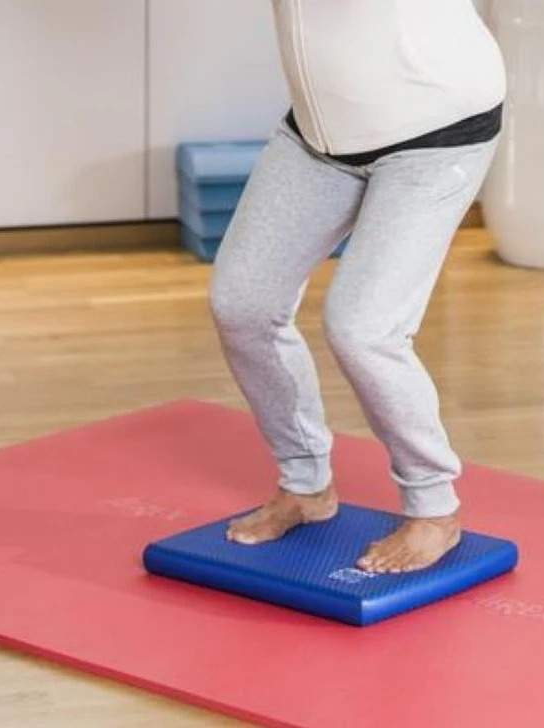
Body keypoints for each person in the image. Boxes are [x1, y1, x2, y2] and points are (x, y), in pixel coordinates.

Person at [208, 0, 506, 573]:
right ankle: (305, 486)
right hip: (320, 135)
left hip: (437, 127)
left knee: (364, 328)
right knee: (243, 302)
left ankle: (434, 509)